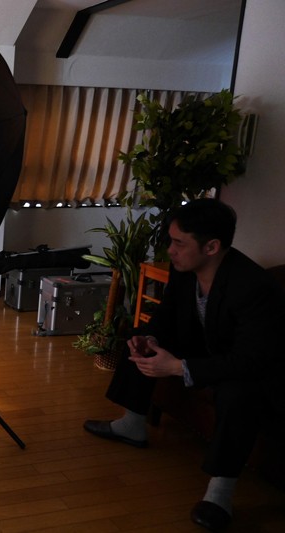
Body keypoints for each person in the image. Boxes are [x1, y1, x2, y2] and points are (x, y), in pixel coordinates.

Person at [83, 198, 285, 531]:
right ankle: (132, 424)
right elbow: (167, 315)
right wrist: (150, 338)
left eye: (179, 243)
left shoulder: (253, 287)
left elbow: (252, 360)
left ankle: (220, 492)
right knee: (142, 340)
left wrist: (179, 367)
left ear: (212, 247)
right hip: (209, 349)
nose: (170, 250)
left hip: (251, 368)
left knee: (239, 394)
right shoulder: (185, 271)